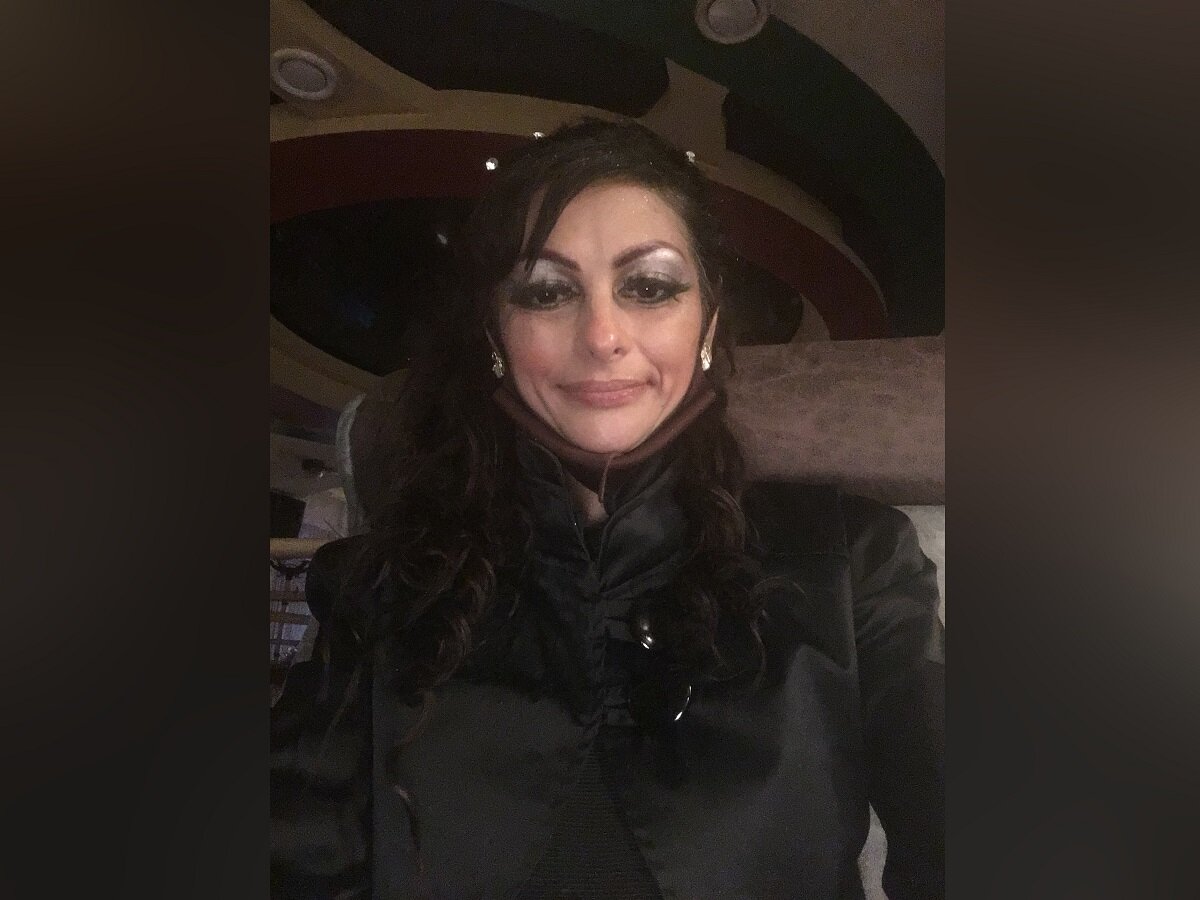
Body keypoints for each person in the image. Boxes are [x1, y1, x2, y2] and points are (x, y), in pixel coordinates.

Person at [270, 118, 944, 899]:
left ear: (707, 325)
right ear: (495, 335)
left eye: (648, 287)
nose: (602, 335)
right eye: (547, 291)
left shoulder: (855, 565)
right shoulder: (379, 589)